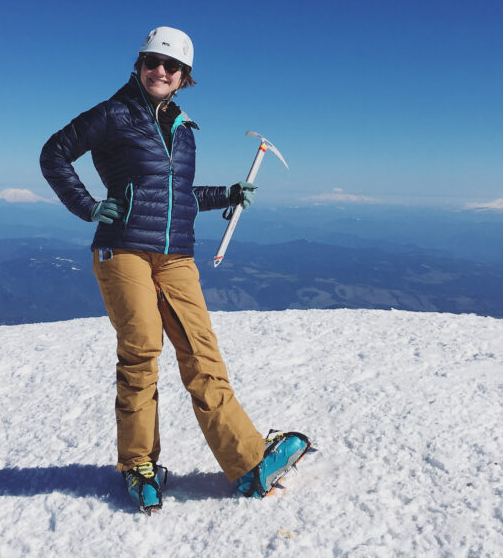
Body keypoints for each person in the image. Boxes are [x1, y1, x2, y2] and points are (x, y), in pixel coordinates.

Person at [40, 26, 309, 512]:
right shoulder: (112, 113)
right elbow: (54, 153)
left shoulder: (183, 129)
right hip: (122, 250)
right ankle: (138, 464)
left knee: (202, 354)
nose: (160, 71)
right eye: (152, 61)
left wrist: (226, 194)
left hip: (176, 256)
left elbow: (178, 197)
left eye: (171, 66)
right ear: (138, 65)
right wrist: (88, 206)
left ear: (184, 77)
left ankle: (250, 464)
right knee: (142, 350)